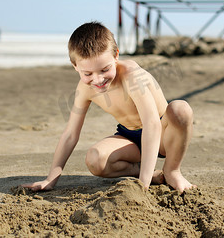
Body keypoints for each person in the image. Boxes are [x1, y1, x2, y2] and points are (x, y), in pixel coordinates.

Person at [22, 21, 195, 192]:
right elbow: (70, 134)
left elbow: (152, 124)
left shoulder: (131, 76)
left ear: (116, 56)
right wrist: (50, 179)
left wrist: (143, 185)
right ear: (75, 66)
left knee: (180, 109)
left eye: (105, 70)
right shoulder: (84, 89)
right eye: (88, 73)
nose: (97, 79)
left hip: (163, 135)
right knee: (95, 160)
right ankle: (150, 173)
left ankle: (172, 171)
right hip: (130, 137)